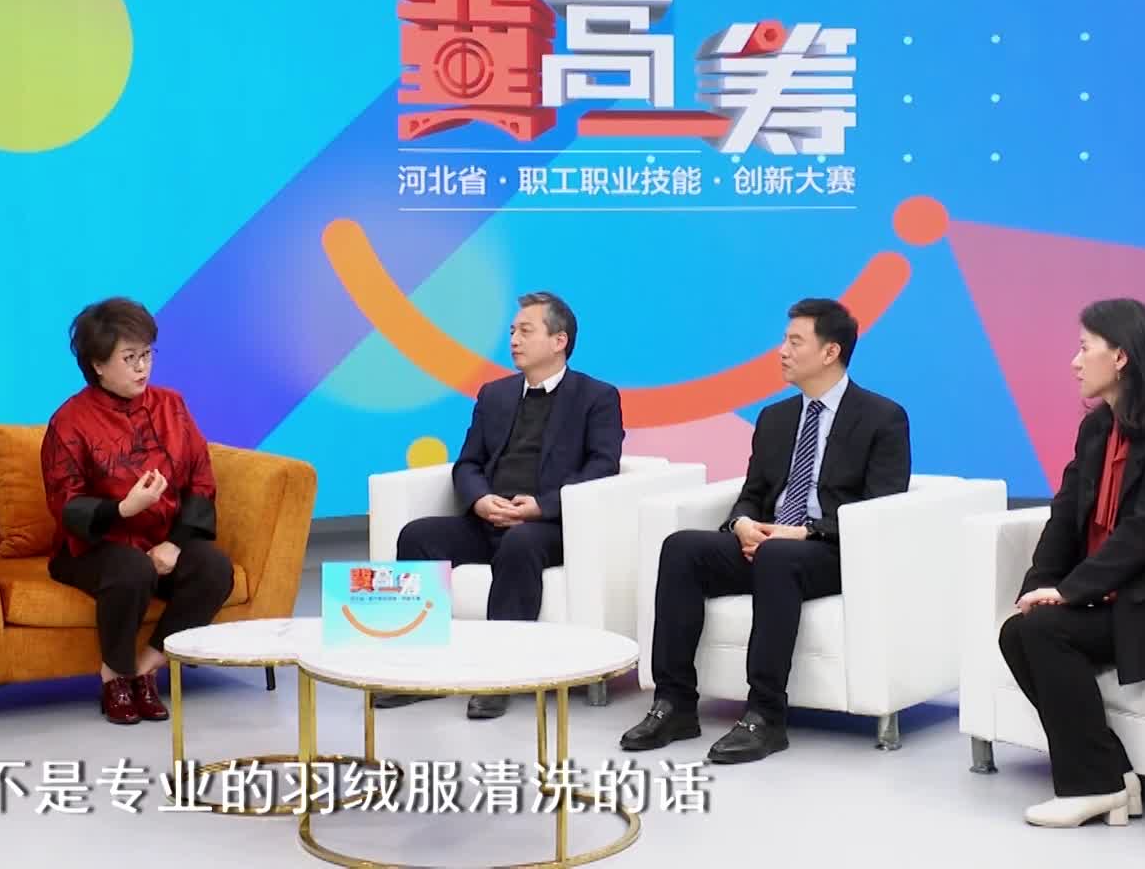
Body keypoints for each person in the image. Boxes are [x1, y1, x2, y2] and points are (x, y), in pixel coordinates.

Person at [620, 298, 910, 764]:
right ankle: (674, 704)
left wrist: (806, 533)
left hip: (833, 551)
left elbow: (883, 505)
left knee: (778, 557)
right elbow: (752, 492)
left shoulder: (882, 417)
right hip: (770, 545)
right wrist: (742, 524)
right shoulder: (775, 419)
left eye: (795, 341)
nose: (782, 351)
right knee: (682, 547)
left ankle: (765, 716)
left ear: (830, 352)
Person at [998, 297, 1145, 827]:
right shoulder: (1096, 430)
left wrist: (1068, 592)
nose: (1074, 362)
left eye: (1084, 348)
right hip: (1103, 600)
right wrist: (1039, 585)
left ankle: (1091, 786)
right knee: (1018, 630)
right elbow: (1064, 516)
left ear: (1120, 357)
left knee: (1045, 631)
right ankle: (1113, 774)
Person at [384, 291, 625, 719]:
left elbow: (602, 467)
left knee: (520, 543)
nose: (513, 340)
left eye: (525, 331)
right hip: (489, 518)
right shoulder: (494, 394)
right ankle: (414, 671)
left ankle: (499, 675)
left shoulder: (596, 397)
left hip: (549, 526)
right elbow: (468, 463)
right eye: (512, 331)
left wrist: (541, 506)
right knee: (417, 536)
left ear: (559, 341)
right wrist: (479, 500)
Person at [40, 298, 235, 726]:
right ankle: (114, 675)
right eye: (129, 358)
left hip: (160, 540)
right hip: (94, 549)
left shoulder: (172, 406)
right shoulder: (69, 422)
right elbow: (66, 505)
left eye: (147, 354)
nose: (142, 367)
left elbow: (201, 480)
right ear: (98, 365)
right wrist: (124, 508)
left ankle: (147, 667)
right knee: (132, 569)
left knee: (214, 568)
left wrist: (174, 544)